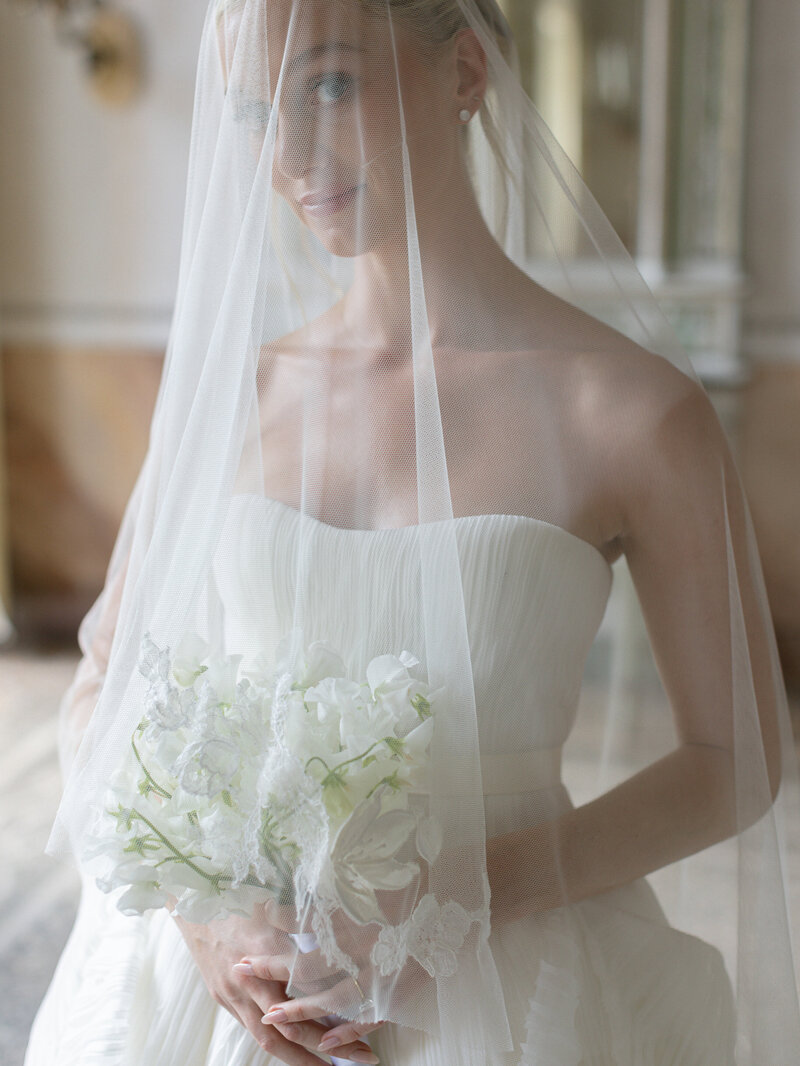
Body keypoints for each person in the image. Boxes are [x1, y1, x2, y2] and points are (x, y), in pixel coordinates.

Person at [24, 1, 800, 1064]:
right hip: (236, 989)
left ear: (465, 70)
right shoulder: (237, 393)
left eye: (328, 84)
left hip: (510, 982)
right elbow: (101, 684)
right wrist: (207, 919)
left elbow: (732, 760)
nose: (289, 156)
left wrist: (466, 897)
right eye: (256, 112)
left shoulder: (634, 413)